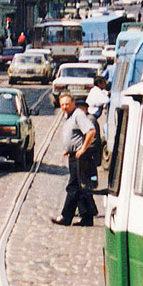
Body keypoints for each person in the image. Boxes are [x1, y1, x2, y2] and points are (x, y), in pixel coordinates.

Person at [52, 93, 98, 227]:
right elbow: (73, 134)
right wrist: (69, 149)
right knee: (80, 187)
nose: (64, 107)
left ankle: (66, 217)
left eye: (67, 104)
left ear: (73, 103)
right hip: (73, 155)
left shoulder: (78, 114)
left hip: (81, 157)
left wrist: (83, 149)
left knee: (73, 186)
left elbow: (91, 131)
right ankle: (87, 217)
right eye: (62, 105)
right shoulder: (69, 116)